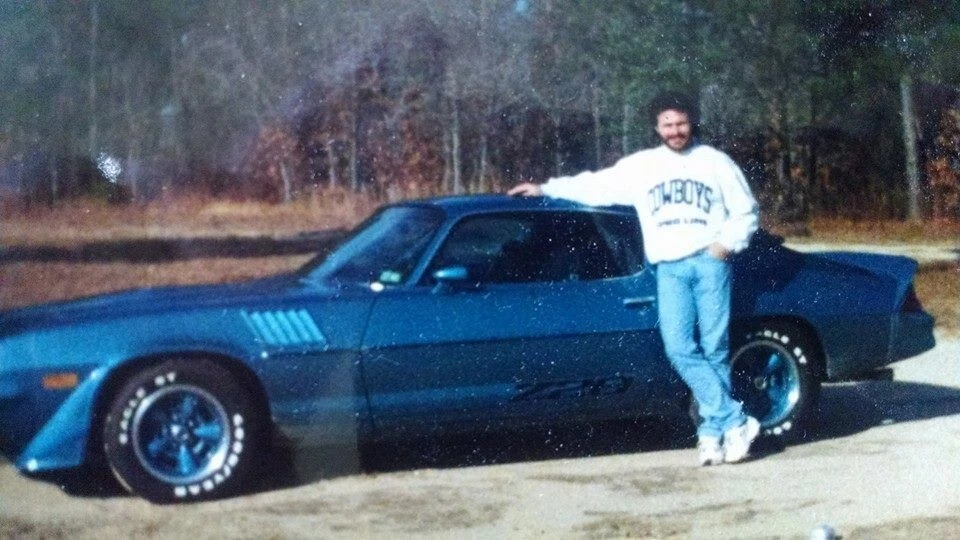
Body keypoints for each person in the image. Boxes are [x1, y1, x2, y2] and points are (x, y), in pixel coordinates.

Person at [508, 91, 760, 466]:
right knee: (678, 346)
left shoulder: (715, 162)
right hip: (669, 268)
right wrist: (546, 188)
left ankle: (712, 433)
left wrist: (724, 246)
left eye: (681, 123)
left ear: (691, 123)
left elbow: (746, 210)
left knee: (715, 349)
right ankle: (734, 420)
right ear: (657, 127)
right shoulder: (643, 166)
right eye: (668, 124)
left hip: (710, 263)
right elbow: (595, 184)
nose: (675, 131)